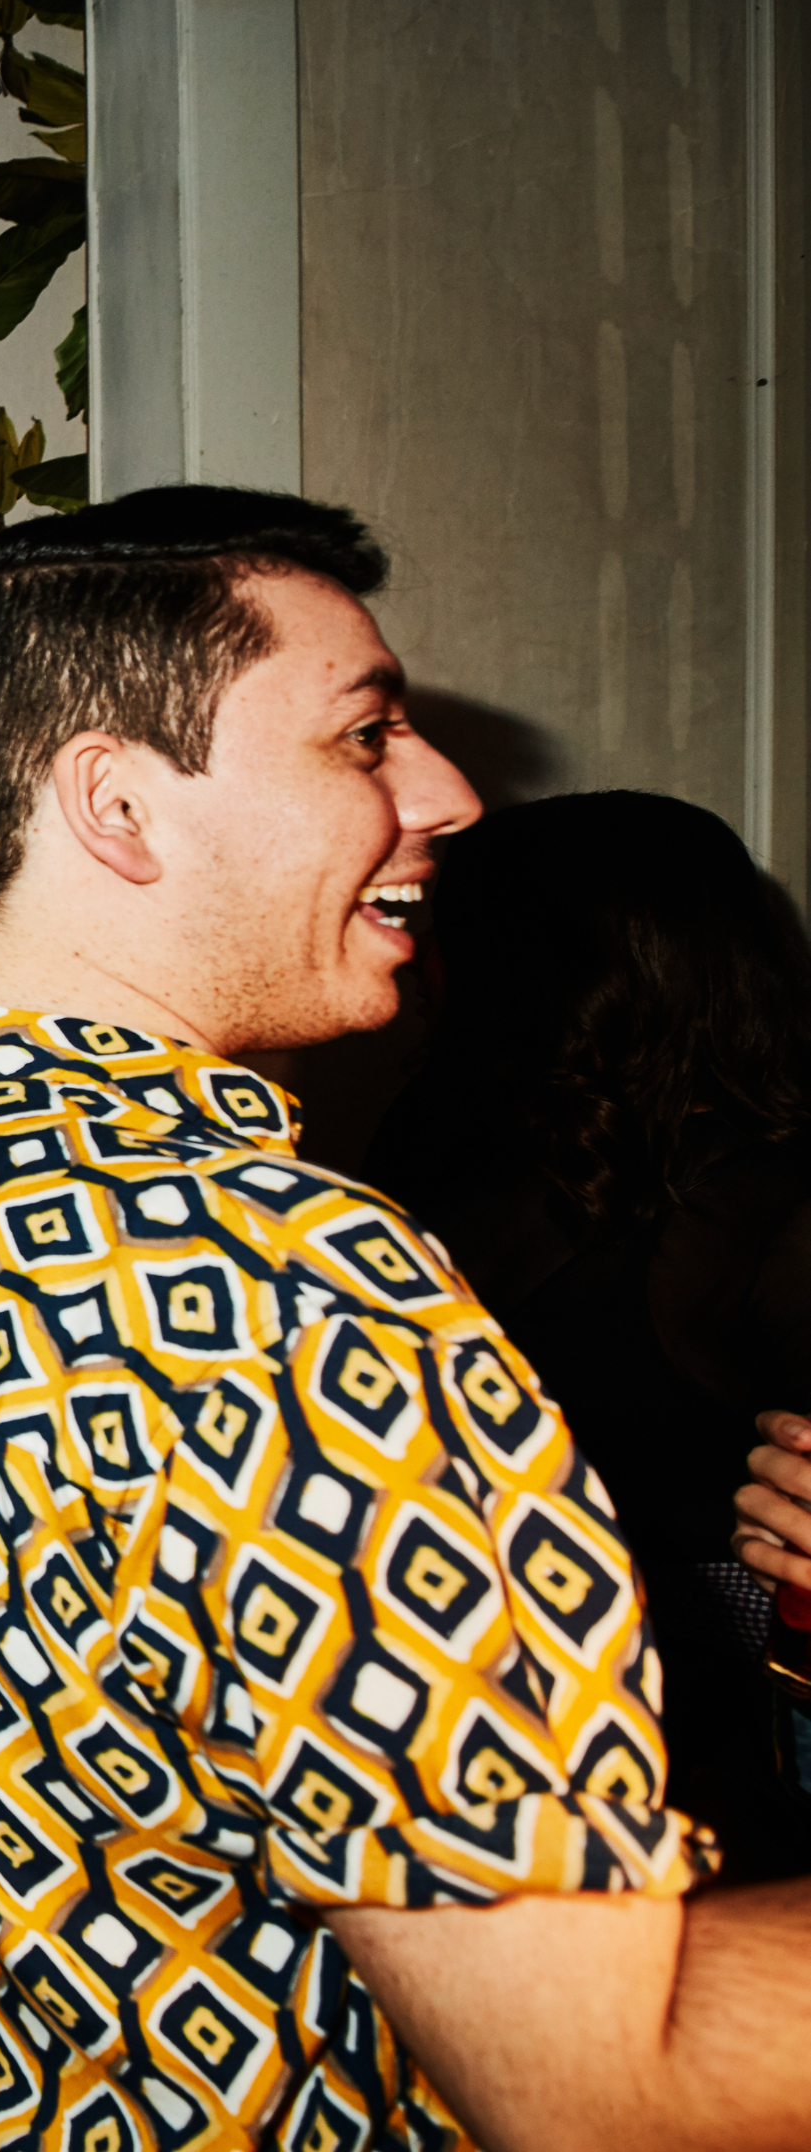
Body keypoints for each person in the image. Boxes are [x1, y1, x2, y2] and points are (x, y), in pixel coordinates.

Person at [0, 487, 811, 2149]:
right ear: (117, 802)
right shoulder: (291, 1286)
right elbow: (605, 2084)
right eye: (365, 735)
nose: (444, 792)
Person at [366, 791, 811, 1881]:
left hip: (705, 1746)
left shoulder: (768, 1208)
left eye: (441, 931)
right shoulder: (422, 1155)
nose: (417, 958)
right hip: (572, 1752)